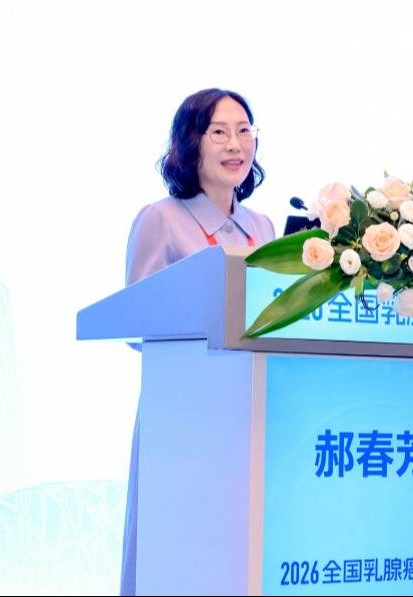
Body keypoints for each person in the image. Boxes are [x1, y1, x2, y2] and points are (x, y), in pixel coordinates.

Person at [120, 88, 274, 596]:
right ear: (192, 143)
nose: (236, 144)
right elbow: (138, 320)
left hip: (248, 410)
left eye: (245, 131)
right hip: (182, 414)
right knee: (175, 545)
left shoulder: (263, 227)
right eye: (219, 132)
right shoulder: (161, 218)